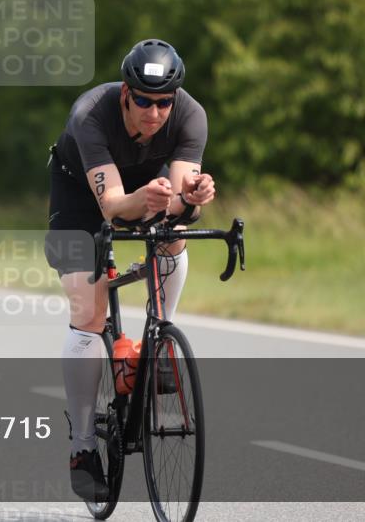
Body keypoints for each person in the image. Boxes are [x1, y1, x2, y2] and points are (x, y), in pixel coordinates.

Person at [45, 39, 216, 502]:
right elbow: (115, 207)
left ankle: (160, 334)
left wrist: (191, 197)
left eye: (164, 102)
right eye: (144, 100)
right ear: (125, 92)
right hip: (82, 192)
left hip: (143, 182)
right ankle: (83, 446)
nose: (155, 112)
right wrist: (154, 201)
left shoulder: (191, 115)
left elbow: (181, 200)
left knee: (173, 235)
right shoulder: (90, 115)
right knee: (88, 309)